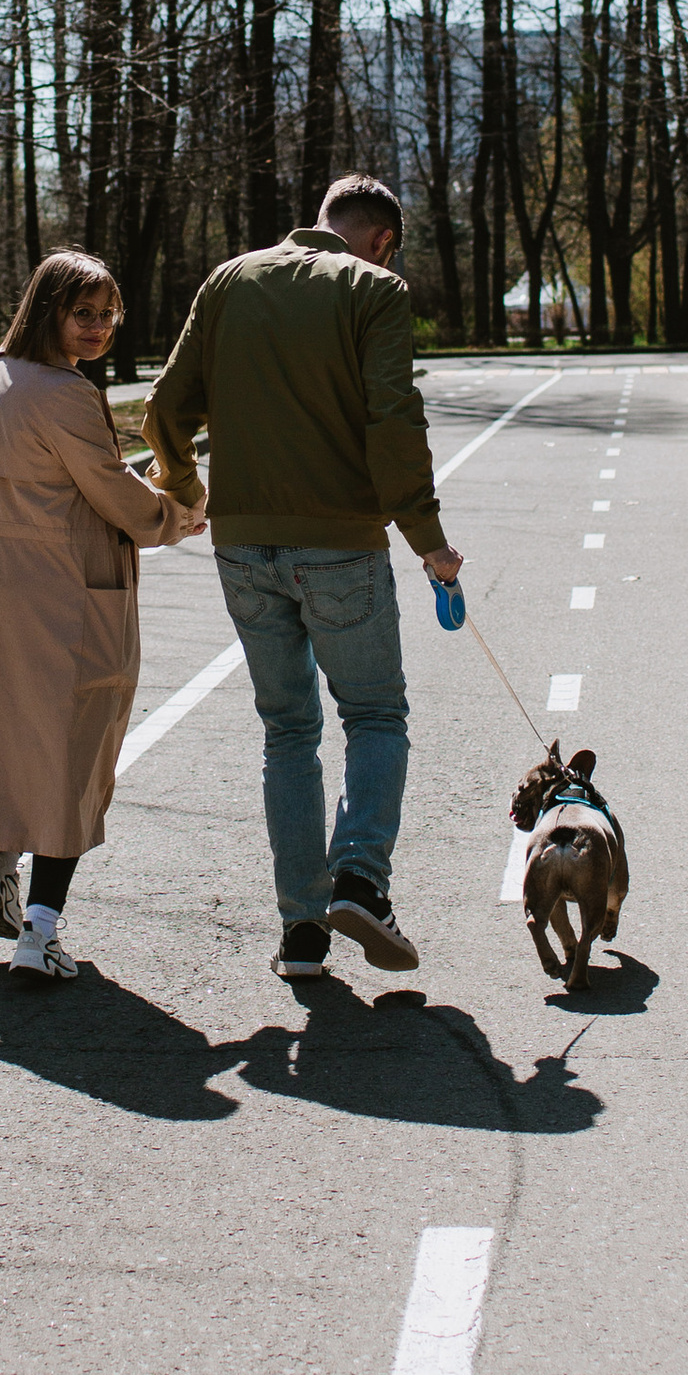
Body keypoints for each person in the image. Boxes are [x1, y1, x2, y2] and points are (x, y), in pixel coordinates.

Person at [143, 175, 463, 985]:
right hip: (342, 546)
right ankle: (359, 880)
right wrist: (427, 539)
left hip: (243, 545)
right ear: (380, 239)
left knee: (288, 732)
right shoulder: (376, 291)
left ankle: (301, 935)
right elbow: (393, 420)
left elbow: (165, 409)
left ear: (319, 221)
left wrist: (187, 492)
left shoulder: (229, 280)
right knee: (376, 716)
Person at [0, 251, 205, 977]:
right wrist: (178, 515)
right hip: (73, 598)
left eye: (108, 314)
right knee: (75, 756)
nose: (97, 328)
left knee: (16, 737)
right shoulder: (65, 393)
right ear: (46, 308)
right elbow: (117, 498)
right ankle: (41, 934)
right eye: (82, 312)